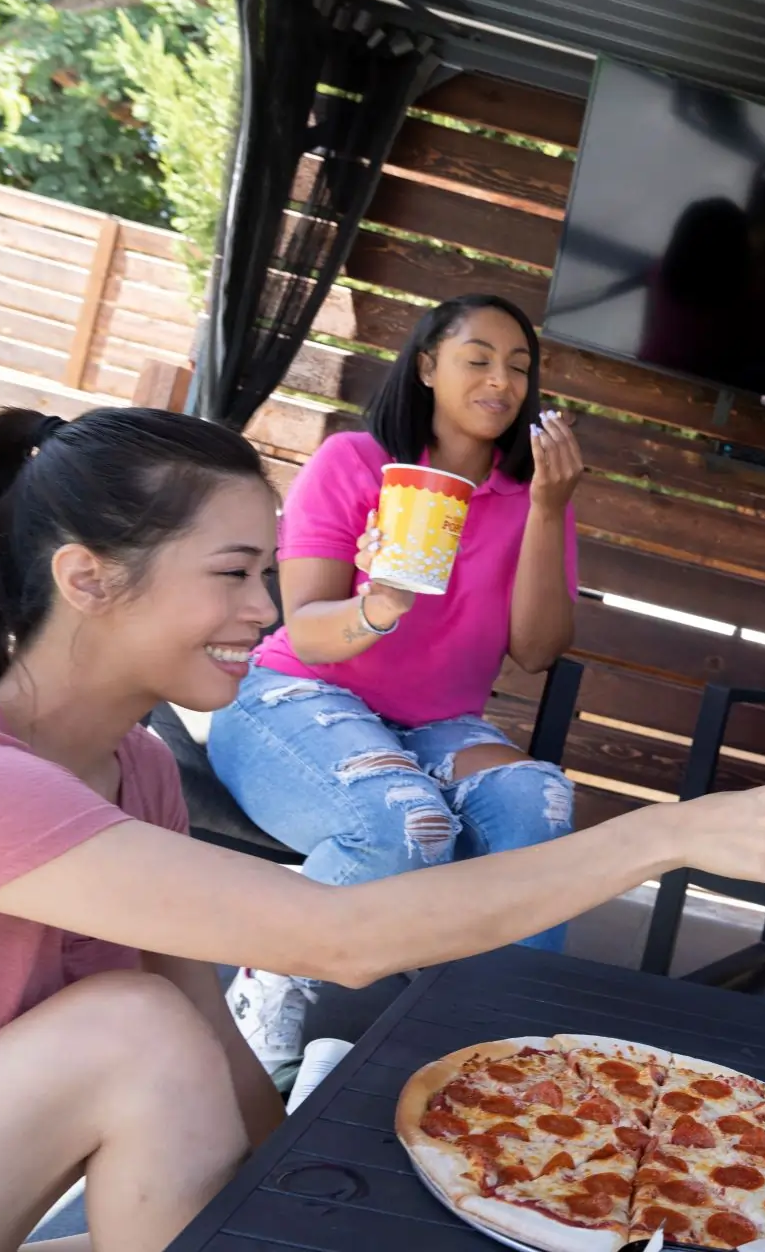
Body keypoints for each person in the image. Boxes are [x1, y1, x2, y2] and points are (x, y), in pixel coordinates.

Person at [0, 404, 765, 1252]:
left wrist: (302, 1185)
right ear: (86, 579)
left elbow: (208, 1020)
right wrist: (667, 835)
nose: (266, 610)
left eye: (266, 574)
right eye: (233, 573)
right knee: (135, 1028)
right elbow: (338, 939)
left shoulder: (139, 766)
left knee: (170, 1034)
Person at [206, 294, 584, 1072]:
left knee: (536, 805)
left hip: (434, 725)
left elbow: (538, 649)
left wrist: (548, 507)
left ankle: (486, 1050)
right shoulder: (354, 462)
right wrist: (379, 605)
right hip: (297, 698)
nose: (502, 381)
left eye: (519, 367)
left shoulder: (534, 500)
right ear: (426, 368)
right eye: (477, 359)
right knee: (407, 824)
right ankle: (271, 977)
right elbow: (307, 625)